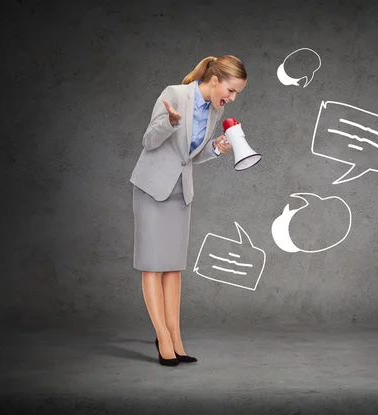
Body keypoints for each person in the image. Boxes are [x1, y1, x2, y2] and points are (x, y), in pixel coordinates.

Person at [130, 55, 247, 366]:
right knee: (153, 265)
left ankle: (175, 335)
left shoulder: (215, 108)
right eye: (232, 90)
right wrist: (169, 122)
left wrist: (215, 149)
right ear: (214, 80)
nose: (232, 98)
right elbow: (148, 141)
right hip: (153, 189)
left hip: (181, 192)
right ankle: (163, 338)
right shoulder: (174, 95)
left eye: (236, 94)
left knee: (173, 268)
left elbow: (189, 157)